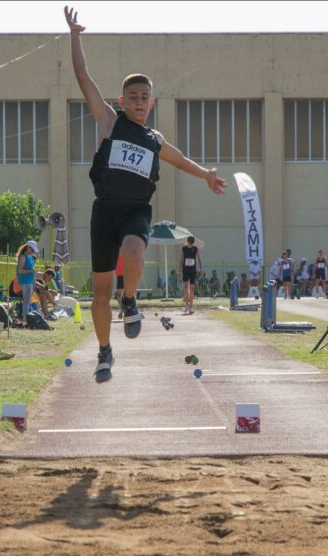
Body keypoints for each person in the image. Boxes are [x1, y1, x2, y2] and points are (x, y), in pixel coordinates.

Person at [66, 6, 227, 383]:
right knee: (98, 294)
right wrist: (74, 36)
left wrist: (205, 175)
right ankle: (105, 352)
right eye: (133, 96)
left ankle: (130, 298)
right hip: (104, 212)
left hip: (136, 210)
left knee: (134, 252)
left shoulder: (155, 141)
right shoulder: (110, 122)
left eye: (145, 97)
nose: (139, 102)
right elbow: (82, 77)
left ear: (151, 103)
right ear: (123, 101)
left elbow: (181, 160)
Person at [15, 240, 38, 315]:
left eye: (34, 250)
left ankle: (26, 317)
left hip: (29, 281)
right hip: (24, 281)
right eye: (32, 249)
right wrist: (31, 271)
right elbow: (20, 271)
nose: (33, 251)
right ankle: (25, 318)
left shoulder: (30, 257)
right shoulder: (23, 256)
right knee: (26, 301)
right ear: (28, 247)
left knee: (28, 301)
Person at [180, 236, 201, 313]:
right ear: (188, 241)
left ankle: (191, 307)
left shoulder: (196, 248)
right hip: (185, 270)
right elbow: (181, 259)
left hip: (192, 270)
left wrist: (201, 270)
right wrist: (179, 271)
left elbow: (199, 259)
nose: (190, 243)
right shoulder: (184, 248)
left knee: (192, 288)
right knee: (186, 287)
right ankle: (187, 305)